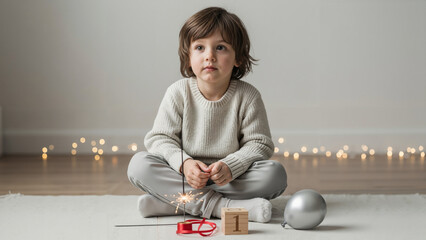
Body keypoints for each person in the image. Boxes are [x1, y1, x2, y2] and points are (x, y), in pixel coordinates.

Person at [127, 6, 287, 223]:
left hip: (231, 178)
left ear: (238, 57)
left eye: (220, 47)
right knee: (139, 165)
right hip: (184, 177)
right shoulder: (178, 92)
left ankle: (175, 203)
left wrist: (232, 165)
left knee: (274, 174)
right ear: (188, 57)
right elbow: (159, 139)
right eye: (200, 47)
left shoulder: (248, 96)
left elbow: (260, 144)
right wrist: (184, 163)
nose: (209, 56)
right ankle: (223, 206)